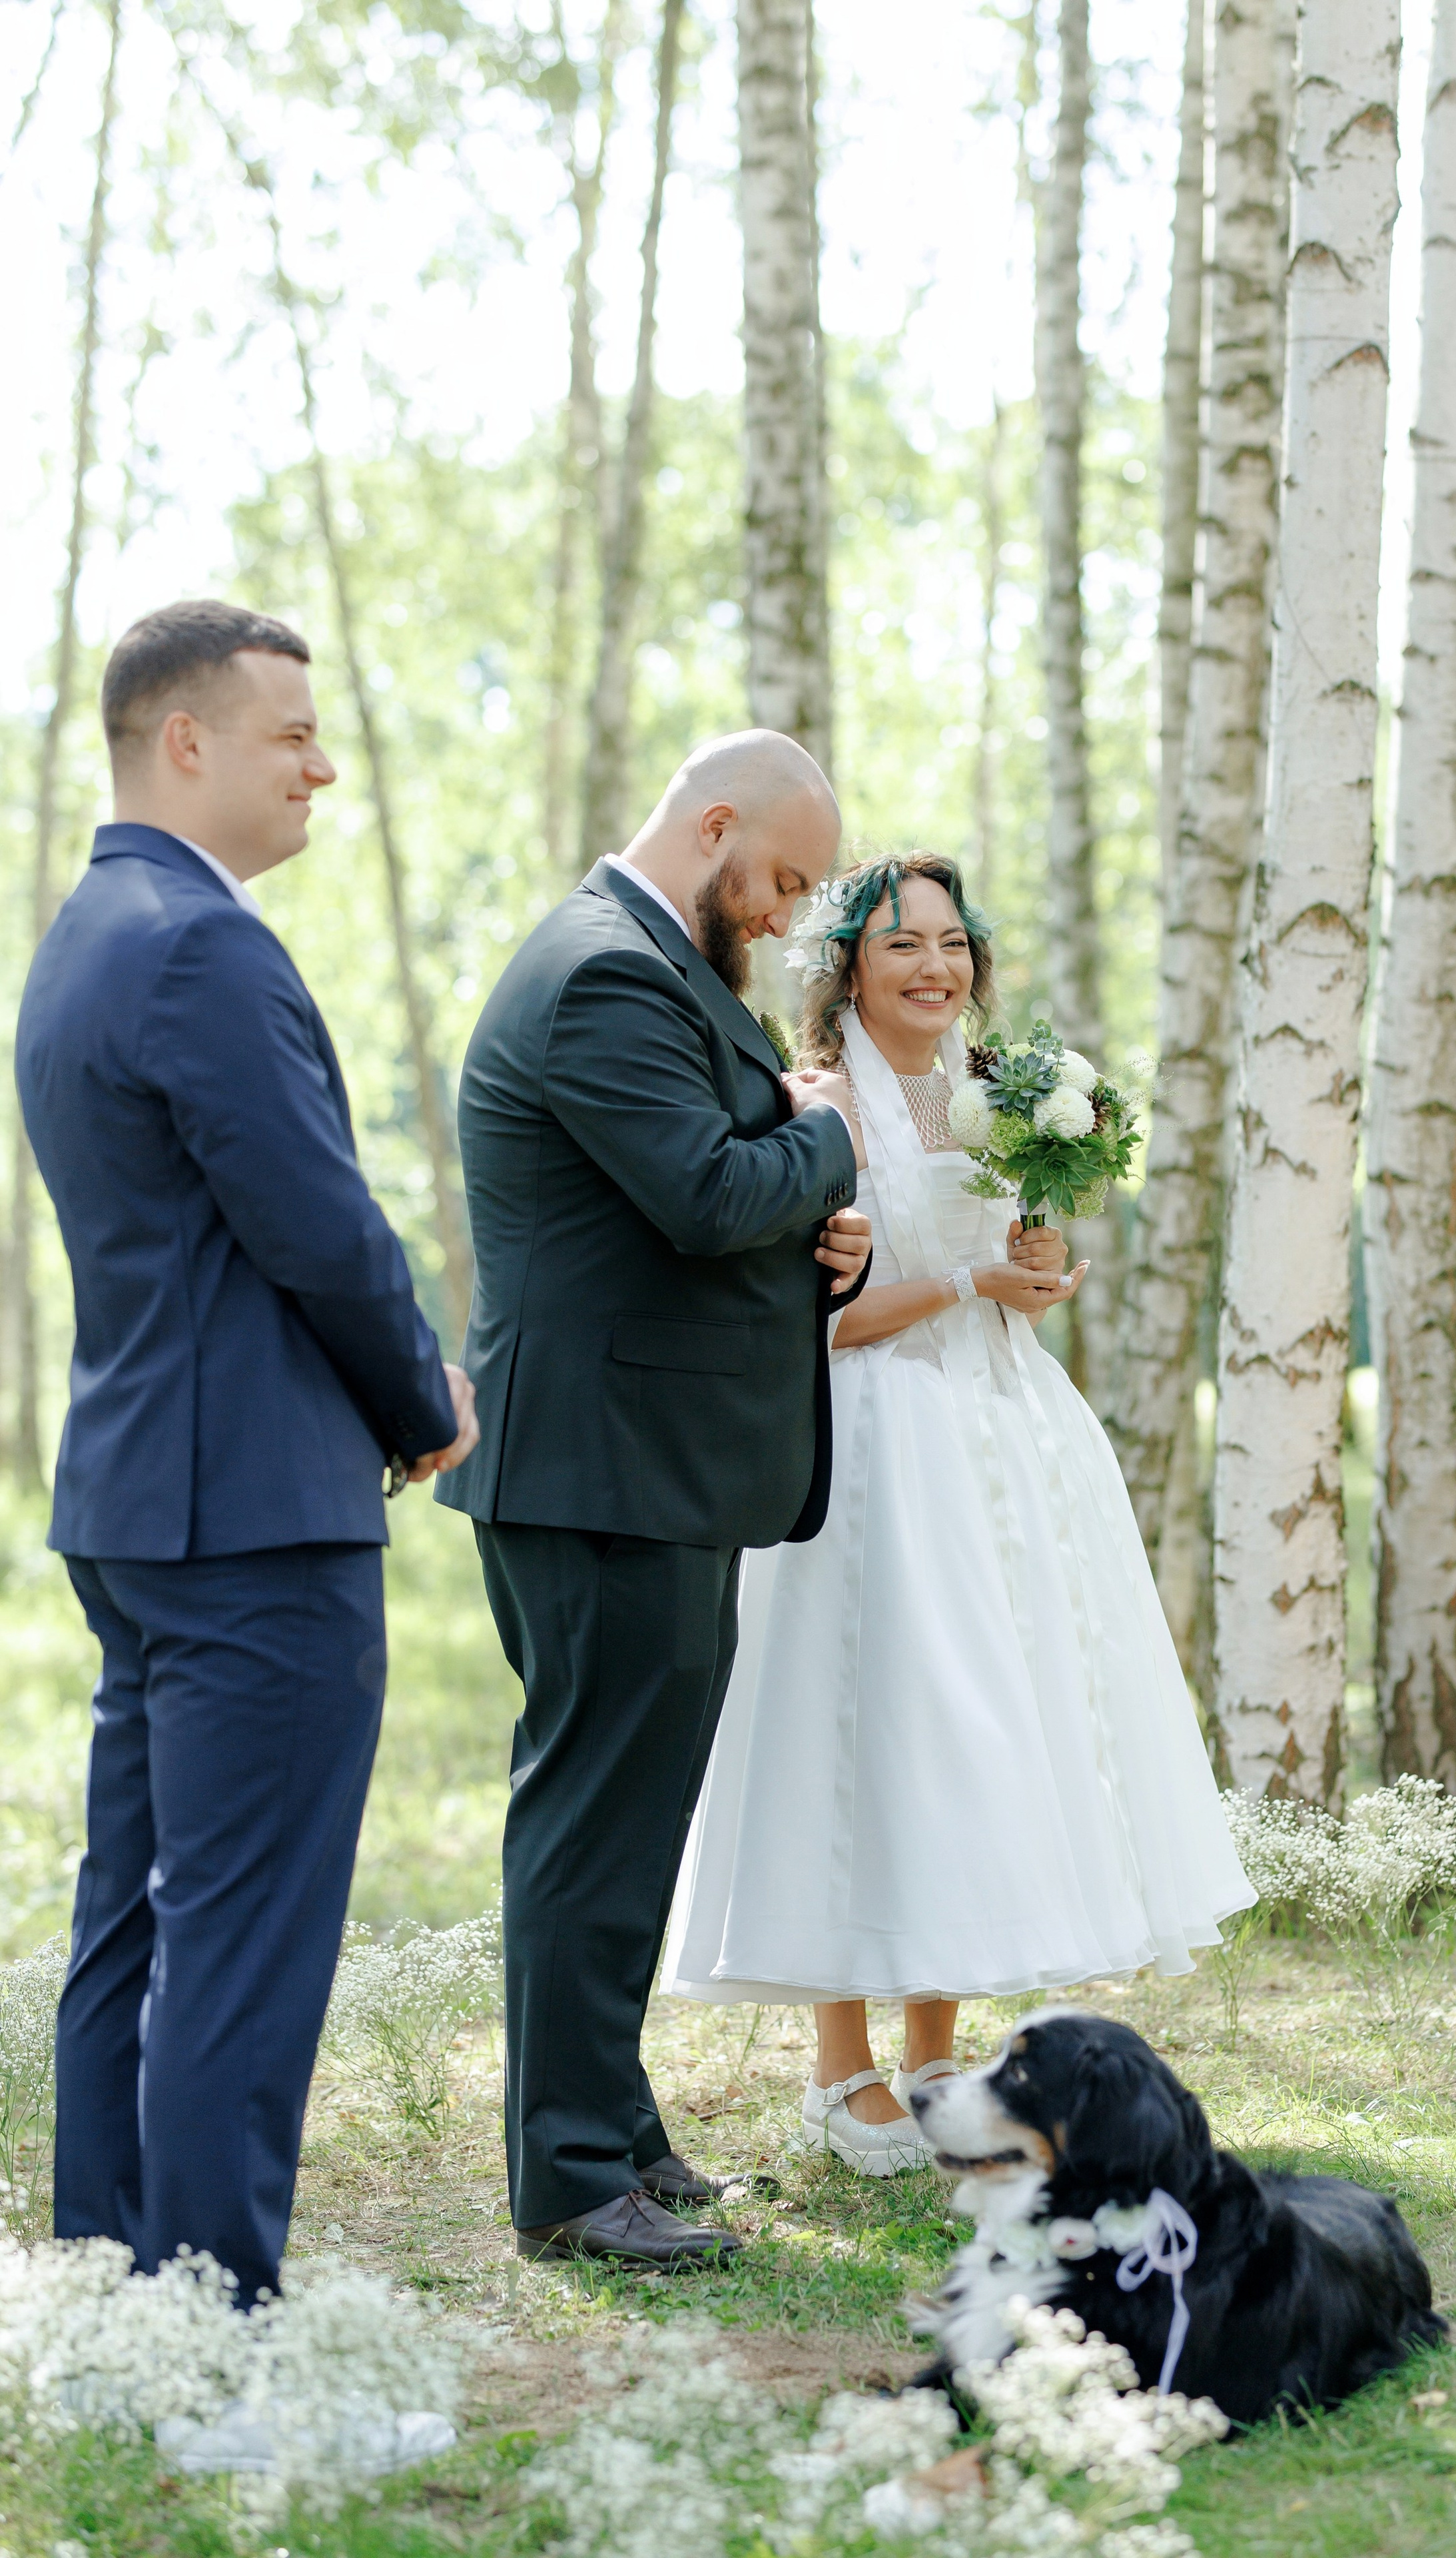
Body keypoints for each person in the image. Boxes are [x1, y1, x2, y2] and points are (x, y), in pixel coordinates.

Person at [15, 600, 479, 2320]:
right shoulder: (200, 946)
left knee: (136, 1909)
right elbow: (318, 1223)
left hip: (142, 1497)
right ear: (185, 742)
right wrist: (423, 1393)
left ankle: (112, 2279)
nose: (322, 765)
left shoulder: (85, 935)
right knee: (244, 1933)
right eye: (293, 734)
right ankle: (211, 2315)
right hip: (253, 1518)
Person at [665, 854, 1254, 2171]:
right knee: (859, 1731)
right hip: (870, 1446)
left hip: (1008, 1443)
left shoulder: (1001, 1094)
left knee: (975, 1743)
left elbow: (1018, 1251)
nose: (933, 968)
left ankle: (934, 2056)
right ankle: (836, 2068)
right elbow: (809, 1318)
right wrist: (967, 1282)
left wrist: (1036, 1264)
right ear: (847, 970)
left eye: (950, 943)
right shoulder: (814, 1105)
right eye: (900, 947)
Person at [439, 729, 873, 2270]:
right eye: (780, 879)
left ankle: (616, 2136)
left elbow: (726, 1189)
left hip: (656, 1469)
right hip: (600, 1473)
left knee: (630, 1824)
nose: (785, 915)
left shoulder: (658, 963)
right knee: (588, 1823)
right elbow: (704, 1193)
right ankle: (565, 2181)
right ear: (709, 826)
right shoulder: (599, 972)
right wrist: (834, 1141)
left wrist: (835, 1237)